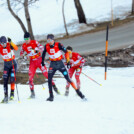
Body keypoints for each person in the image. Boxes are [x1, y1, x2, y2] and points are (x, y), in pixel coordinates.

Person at [42, 34, 86, 101]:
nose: (49, 41)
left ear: (53, 39)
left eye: (50, 40)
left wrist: (68, 61)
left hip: (60, 63)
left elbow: (66, 52)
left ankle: (80, 94)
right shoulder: (46, 46)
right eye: (48, 40)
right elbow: (43, 53)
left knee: (68, 78)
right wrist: (42, 61)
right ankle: (51, 96)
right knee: (49, 80)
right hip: (52, 64)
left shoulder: (59, 44)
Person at [20, 32, 59, 99]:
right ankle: (32, 94)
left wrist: (35, 50)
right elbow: (21, 54)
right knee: (30, 77)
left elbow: (42, 48)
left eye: (27, 38)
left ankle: (55, 89)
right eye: (25, 39)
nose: (26, 40)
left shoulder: (34, 42)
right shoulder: (23, 45)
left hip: (39, 60)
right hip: (32, 62)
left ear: (30, 38)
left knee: (46, 75)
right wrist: (25, 56)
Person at [0, 36, 18, 103]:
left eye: (4, 43)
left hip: (13, 64)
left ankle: (12, 94)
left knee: (12, 79)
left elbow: (16, 48)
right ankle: (5, 96)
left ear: (6, 42)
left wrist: (11, 43)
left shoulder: (9, 45)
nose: (3, 44)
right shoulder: (0, 47)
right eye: (1, 43)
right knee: (5, 80)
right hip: (6, 65)